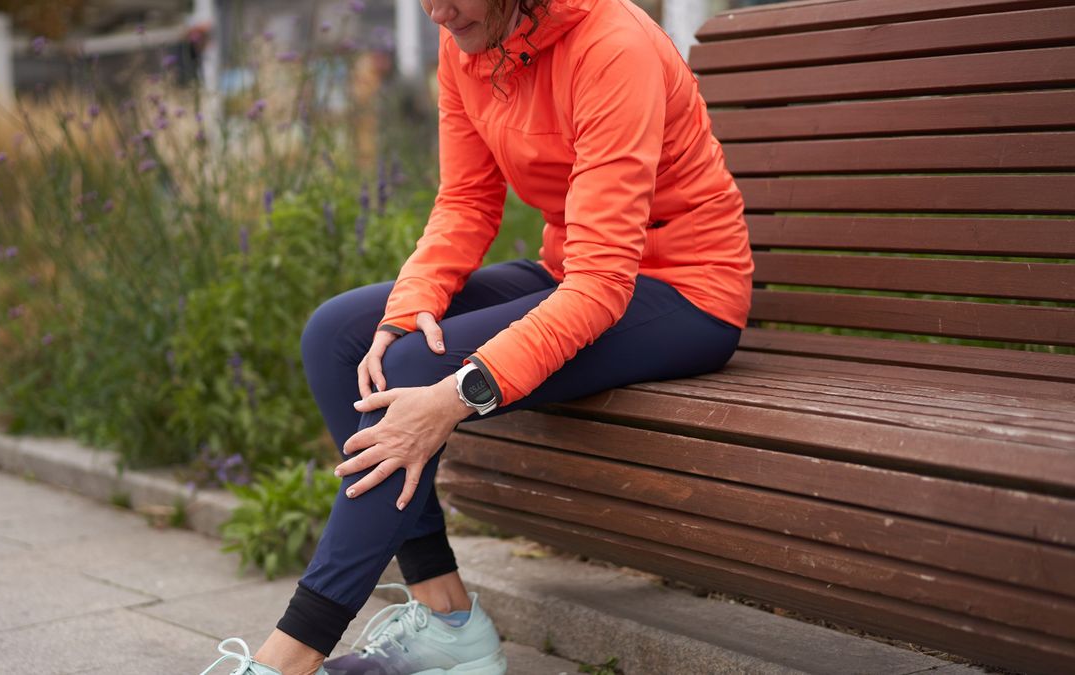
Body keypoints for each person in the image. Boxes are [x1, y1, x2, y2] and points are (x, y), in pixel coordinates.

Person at [198, 0, 752, 673]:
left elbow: (605, 282)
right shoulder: (467, 36)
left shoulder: (613, 46)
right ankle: (448, 618)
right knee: (341, 337)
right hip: (574, 270)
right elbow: (466, 199)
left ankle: (289, 656)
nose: (435, 10)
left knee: (410, 372)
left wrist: (459, 393)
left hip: (684, 291)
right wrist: (408, 309)